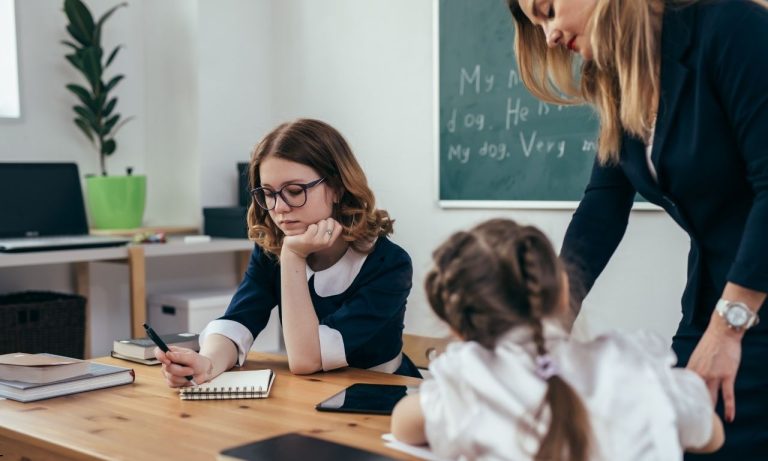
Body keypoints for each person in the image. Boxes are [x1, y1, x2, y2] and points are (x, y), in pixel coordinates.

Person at [507, 0, 768, 458]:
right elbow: (602, 206)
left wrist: (728, 329)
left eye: (547, 10)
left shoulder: (732, 28)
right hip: (711, 301)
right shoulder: (620, 79)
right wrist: (552, 319)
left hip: (745, 301)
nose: (548, 35)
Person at [391, 218, 723, 460]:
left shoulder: (466, 383)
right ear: (563, 294)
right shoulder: (635, 366)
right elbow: (712, 436)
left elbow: (403, 424)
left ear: (459, 326)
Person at [155, 118, 421, 384]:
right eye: (268, 194)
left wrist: (293, 256)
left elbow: (306, 360)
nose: (279, 208)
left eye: (294, 191)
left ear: (338, 188)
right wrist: (207, 363)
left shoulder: (389, 264)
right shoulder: (272, 248)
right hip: (310, 394)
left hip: (381, 397)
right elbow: (239, 319)